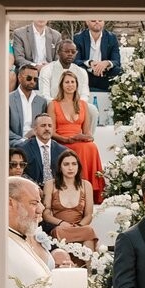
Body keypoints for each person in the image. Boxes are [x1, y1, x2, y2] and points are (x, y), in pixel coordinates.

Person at [47, 71, 104, 203]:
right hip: (61, 141)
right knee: (82, 148)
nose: (70, 85)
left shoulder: (83, 104)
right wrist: (67, 139)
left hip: (79, 139)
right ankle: (79, 190)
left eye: (72, 82)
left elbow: (87, 132)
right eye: (67, 82)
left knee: (91, 147)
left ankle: (92, 191)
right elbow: (51, 132)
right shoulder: (53, 104)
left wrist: (86, 137)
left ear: (77, 85)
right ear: (61, 85)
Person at [42, 151, 98, 257]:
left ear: (78, 166)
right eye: (66, 164)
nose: (70, 168)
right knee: (58, 231)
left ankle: (91, 266)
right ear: (60, 167)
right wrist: (61, 223)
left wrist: (78, 226)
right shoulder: (50, 184)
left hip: (80, 226)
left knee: (89, 231)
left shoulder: (86, 185)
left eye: (74, 164)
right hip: (60, 227)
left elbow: (88, 215)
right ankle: (63, 262)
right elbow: (46, 214)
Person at [37, 39, 98, 134]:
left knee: (92, 110)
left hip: (76, 104)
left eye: (73, 52)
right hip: (53, 105)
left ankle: (87, 137)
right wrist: (61, 106)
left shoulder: (81, 71)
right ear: (58, 52)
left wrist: (74, 105)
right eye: (67, 51)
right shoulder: (47, 70)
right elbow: (44, 95)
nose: (70, 54)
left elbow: (85, 95)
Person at [74, 18, 122, 126]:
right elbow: (76, 60)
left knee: (118, 71)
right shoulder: (78, 38)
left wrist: (106, 63)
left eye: (100, 20)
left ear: (104, 22)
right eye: (93, 20)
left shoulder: (111, 37)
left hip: (105, 74)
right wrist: (90, 63)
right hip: (86, 74)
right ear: (87, 22)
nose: (97, 22)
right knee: (77, 71)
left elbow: (117, 61)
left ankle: (116, 113)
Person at [18, 113, 69, 188]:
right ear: (35, 130)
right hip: (32, 189)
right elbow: (20, 173)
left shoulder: (62, 151)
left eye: (50, 126)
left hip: (57, 189)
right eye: (43, 125)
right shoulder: (23, 149)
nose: (47, 128)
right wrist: (35, 187)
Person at [9, 64, 48, 146]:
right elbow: (4, 129)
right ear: (19, 78)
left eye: (35, 79)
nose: (32, 81)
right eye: (29, 78)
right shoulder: (8, 99)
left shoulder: (42, 101)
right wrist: (24, 139)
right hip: (15, 142)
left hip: (36, 141)